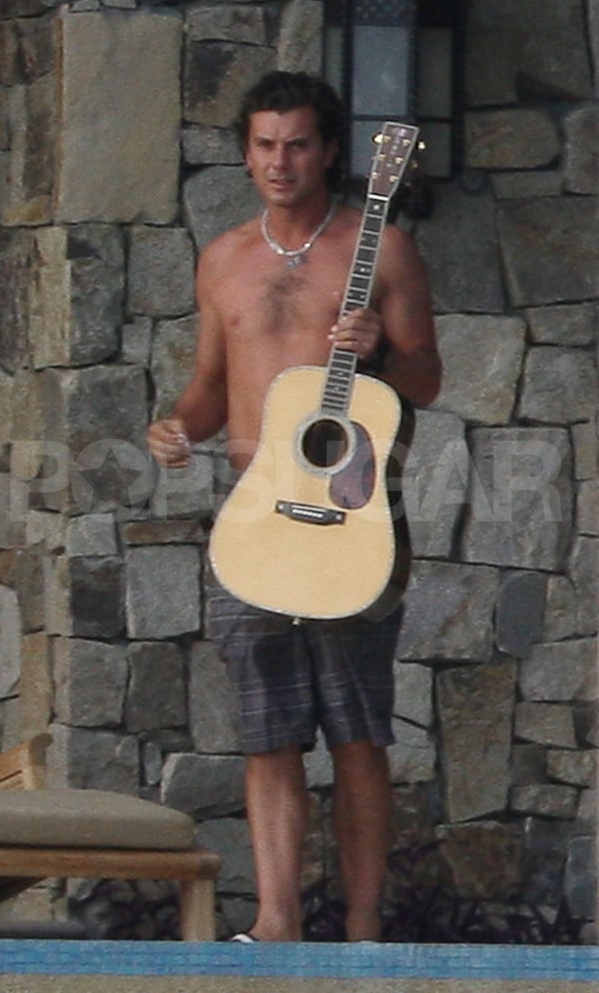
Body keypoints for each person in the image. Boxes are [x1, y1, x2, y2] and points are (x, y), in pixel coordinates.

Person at [147, 71, 441, 943]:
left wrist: (381, 348)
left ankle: (361, 928)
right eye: (266, 144)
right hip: (253, 520)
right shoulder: (224, 259)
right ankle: (275, 922)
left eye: (299, 144)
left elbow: (426, 378)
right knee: (266, 733)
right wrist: (176, 428)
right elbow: (208, 386)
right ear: (246, 153)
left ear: (331, 151)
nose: (281, 161)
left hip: (351, 511)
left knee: (355, 733)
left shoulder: (380, 250)